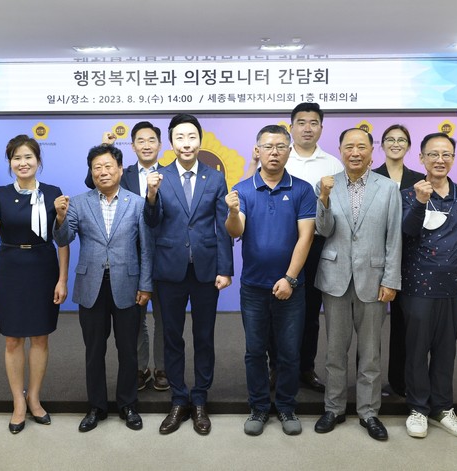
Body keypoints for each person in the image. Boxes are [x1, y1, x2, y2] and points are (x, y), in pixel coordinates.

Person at [144, 114, 234, 435]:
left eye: (191, 137)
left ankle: (199, 399)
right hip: (169, 269)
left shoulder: (215, 178)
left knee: (204, 336)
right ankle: (179, 397)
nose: (186, 143)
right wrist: (151, 196)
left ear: (200, 140)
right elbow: (152, 222)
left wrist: (225, 269)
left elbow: (223, 226)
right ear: (171, 142)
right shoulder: (159, 177)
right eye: (180, 137)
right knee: (172, 336)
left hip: (206, 270)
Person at [53, 144, 152, 433]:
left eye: (108, 166)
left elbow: (146, 248)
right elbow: (63, 239)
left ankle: (128, 404)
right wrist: (60, 217)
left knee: (128, 350)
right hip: (91, 286)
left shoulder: (137, 203)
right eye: (97, 167)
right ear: (91, 172)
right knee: (94, 350)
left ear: (120, 169)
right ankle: (96, 406)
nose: (103, 172)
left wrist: (146, 285)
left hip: (128, 285)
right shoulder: (78, 203)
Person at [225, 125, 315, 436]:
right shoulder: (243, 189)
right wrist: (232, 212)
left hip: (292, 287)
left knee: (289, 352)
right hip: (253, 287)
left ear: (289, 151)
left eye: (280, 147)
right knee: (255, 351)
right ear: (257, 151)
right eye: (267, 146)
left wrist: (290, 278)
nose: (274, 152)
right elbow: (236, 231)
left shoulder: (302, 189)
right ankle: (259, 407)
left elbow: (306, 237)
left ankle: (287, 406)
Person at [313, 128, 402, 441]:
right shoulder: (327, 184)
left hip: (374, 280)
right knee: (335, 351)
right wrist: (324, 198)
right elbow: (323, 230)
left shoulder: (388, 188)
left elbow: (394, 237)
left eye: (361, 147)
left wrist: (391, 279)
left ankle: (369, 412)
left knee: (370, 353)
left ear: (371, 151)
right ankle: (333, 408)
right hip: (335, 278)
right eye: (349, 146)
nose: (355, 152)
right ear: (339, 150)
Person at [0, 134, 69, 434]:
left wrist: (62, 279)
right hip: (12, 270)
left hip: (43, 267)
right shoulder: (0, 194)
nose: (23, 162)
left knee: (40, 338)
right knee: (13, 339)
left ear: (38, 160)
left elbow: (62, 239)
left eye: (28, 157)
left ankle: (34, 398)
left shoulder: (53, 193)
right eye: (16, 158)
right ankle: (18, 401)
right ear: (10, 163)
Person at [400, 132, 457, 439]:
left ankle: (443, 408)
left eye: (446, 154)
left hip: (455, 287)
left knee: (446, 351)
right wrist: (420, 203)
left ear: (453, 158)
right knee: (417, 350)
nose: (440, 160)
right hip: (418, 285)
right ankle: (418, 408)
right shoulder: (409, 194)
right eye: (433, 154)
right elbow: (405, 233)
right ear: (421, 158)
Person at [89, 123, 169, 392]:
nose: (146, 145)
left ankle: (162, 367)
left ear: (160, 145)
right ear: (132, 146)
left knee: (164, 317)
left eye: (151, 140)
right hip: (131, 258)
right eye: (140, 141)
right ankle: (140, 368)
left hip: (166, 257)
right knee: (135, 318)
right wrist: (107, 149)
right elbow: (93, 183)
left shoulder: (170, 173)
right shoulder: (122, 172)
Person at [278, 102, 343, 392]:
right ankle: (276, 368)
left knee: (310, 310)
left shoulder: (333, 164)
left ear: (321, 128)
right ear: (291, 127)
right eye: (301, 122)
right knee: (275, 308)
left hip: (317, 244)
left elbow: (338, 209)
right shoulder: (280, 156)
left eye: (313, 122)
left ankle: (306, 368)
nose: (307, 128)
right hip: (281, 242)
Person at [372, 124, 425, 398]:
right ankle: (368, 386)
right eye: (390, 139)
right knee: (371, 328)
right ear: (381, 145)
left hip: (410, 259)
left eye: (401, 139)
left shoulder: (419, 180)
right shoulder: (371, 177)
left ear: (408, 146)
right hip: (375, 259)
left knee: (403, 325)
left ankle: (399, 382)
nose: (396, 143)